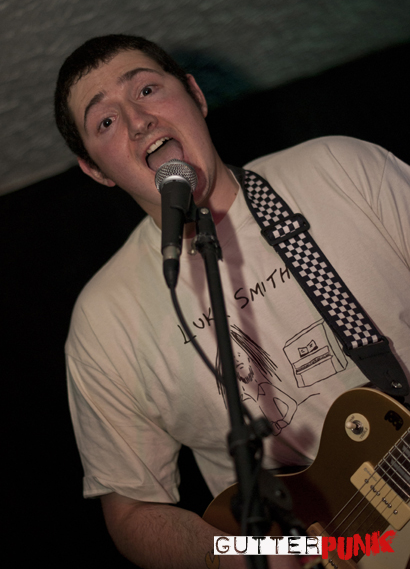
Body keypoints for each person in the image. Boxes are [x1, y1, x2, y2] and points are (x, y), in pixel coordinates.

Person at [54, 34, 410, 569]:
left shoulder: (341, 170)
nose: (138, 121)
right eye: (105, 121)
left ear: (196, 95)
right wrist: (234, 553)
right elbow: (130, 510)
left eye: (147, 90)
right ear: (95, 170)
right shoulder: (105, 321)